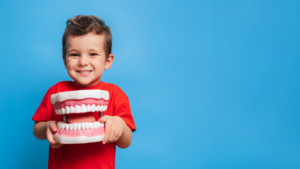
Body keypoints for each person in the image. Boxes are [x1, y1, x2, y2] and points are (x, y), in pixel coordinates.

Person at [32, 15, 136, 169]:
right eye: (74, 54)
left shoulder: (116, 94)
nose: (83, 62)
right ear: (65, 61)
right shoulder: (56, 91)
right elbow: (37, 129)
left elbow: (125, 143)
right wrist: (47, 126)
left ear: (108, 61)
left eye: (93, 54)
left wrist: (120, 125)